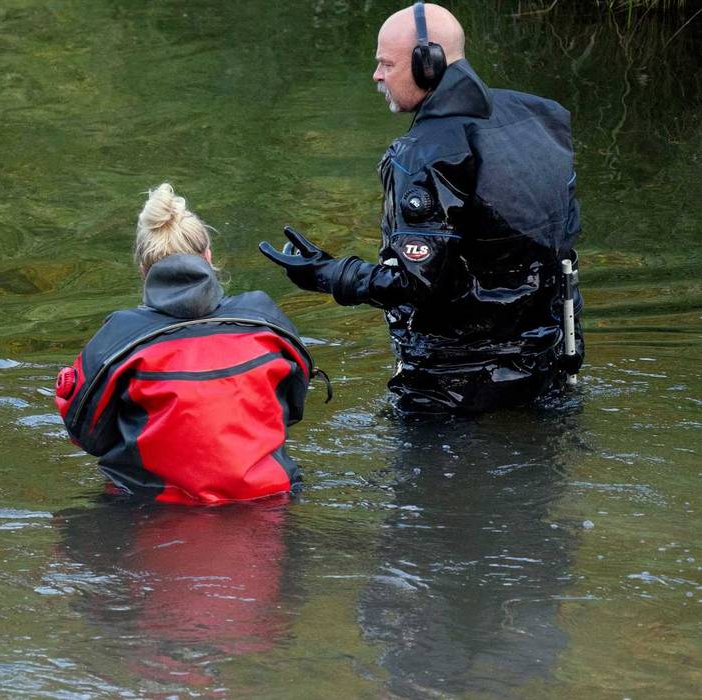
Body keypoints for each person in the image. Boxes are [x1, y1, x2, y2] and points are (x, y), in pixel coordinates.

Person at [260, 2, 584, 413]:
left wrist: (328, 274)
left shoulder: (421, 154)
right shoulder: (540, 116)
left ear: (426, 64)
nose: (377, 75)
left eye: (386, 64)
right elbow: (563, 242)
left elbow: (422, 286)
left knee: (424, 479)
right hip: (547, 362)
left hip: (450, 384)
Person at [55, 184, 323, 505]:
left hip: (151, 508)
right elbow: (293, 407)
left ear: (143, 270)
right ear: (208, 258)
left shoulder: (120, 336)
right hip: (268, 499)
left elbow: (86, 434)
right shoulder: (264, 318)